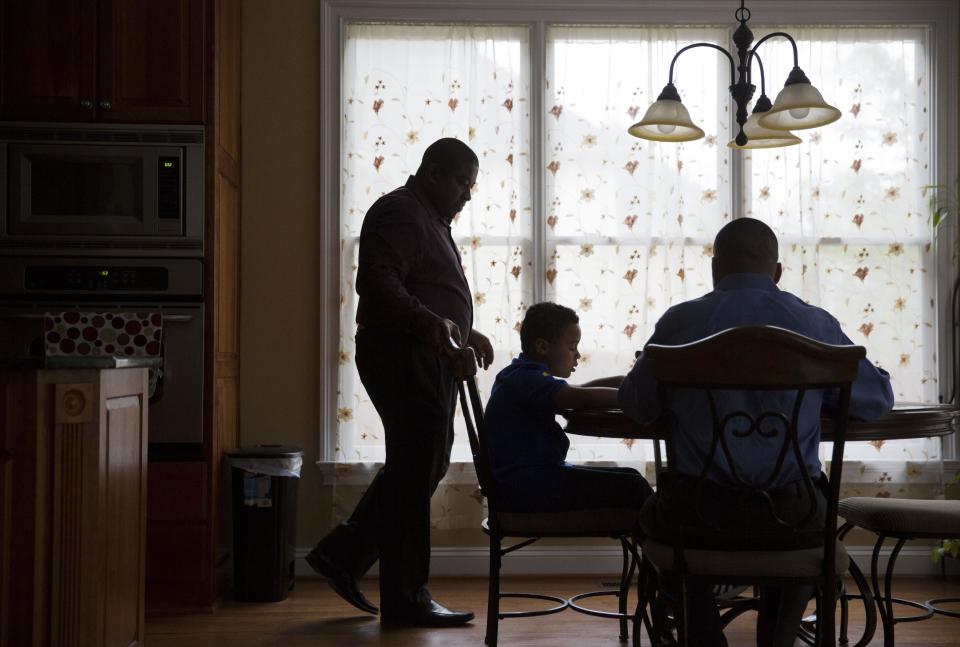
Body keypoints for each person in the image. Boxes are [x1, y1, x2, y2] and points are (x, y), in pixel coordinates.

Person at [619, 217, 894, 647]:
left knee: (650, 516)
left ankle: (703, 635)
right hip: (792, 517)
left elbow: (636, 406)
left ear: (714, 271)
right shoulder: (815, 324)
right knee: (814, 513)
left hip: (695, 516)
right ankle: (777, 639)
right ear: (778, 272)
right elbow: (875, 402)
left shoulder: (679, 323)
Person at [306, 138, 494, 628]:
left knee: (417, 467)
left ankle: (345, 554)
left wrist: (464, 330)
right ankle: (405, 597)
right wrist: (434, 326)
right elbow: (378, 283)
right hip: (402, 355)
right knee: (416, 468)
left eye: (471, 186)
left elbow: (423, 289)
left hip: (423, 356)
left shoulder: (430, 220)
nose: (467, 195)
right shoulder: (400, 212)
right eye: (461, 182)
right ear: (433, 172)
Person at [484, 302, 652, 515]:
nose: (578, 355)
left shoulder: (521, 374)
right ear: (543, 347)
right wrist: (629, 395)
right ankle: (664, 544)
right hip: (531, 489)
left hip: (529, 483)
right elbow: (575, 396)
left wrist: (622, 381)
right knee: (634, 486)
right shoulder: (526, 378)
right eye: (572, 347)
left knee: (631, 477)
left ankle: (656, 542)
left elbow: (576, 390)